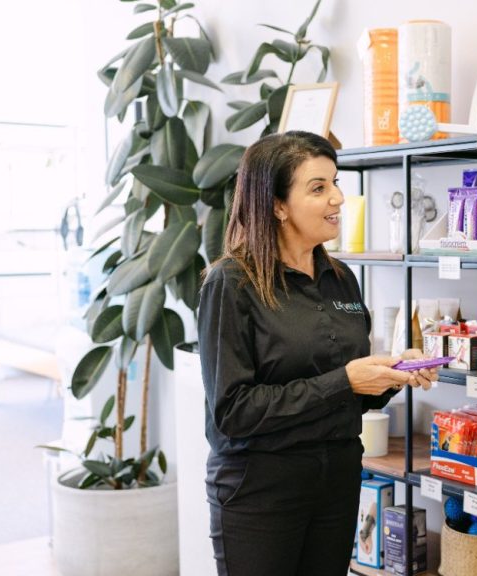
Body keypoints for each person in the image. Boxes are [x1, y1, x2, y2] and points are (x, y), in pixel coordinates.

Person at [198, 130, 437, 576]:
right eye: (319, 188)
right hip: (260, 491)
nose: (339, 198)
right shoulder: (232, 284)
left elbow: (352, 391)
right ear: (277, 205)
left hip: (337, 483)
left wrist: (391, 376)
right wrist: (344, 381)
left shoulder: (341, 278)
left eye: (336, 183)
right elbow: (232, 411)